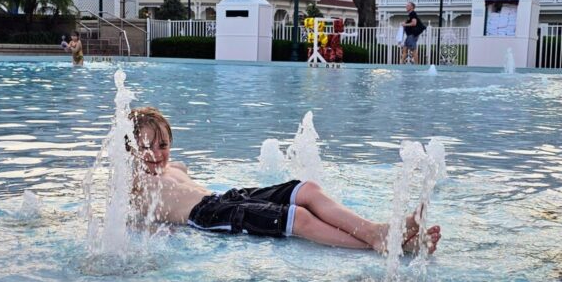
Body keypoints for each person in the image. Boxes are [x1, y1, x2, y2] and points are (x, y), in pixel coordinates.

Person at [127, 107, 442, 253]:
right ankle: (379, 242)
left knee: (306, 189)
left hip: (226, 197)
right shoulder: (138, 185)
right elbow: (128, 216)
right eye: (146, 147)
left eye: (163, 145)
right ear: (131, 150)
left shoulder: (175, 168)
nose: (156, 154)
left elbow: (182, 174)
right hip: (209, 216)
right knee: (299, 218)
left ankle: (377, 232)